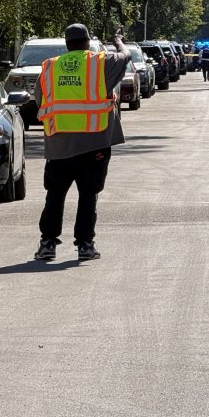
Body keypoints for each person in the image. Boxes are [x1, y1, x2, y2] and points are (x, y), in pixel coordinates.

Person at [34, 23, 130, 262]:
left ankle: (47, 244)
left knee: (55, 195)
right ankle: (85, 245)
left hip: (59, 144)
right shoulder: (100, 62)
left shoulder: (50, 67)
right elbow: (125, 56)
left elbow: (40, 99)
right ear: (88, 42)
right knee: (88, 194)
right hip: (94, 141)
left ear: (67, 44)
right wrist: (117, 39)